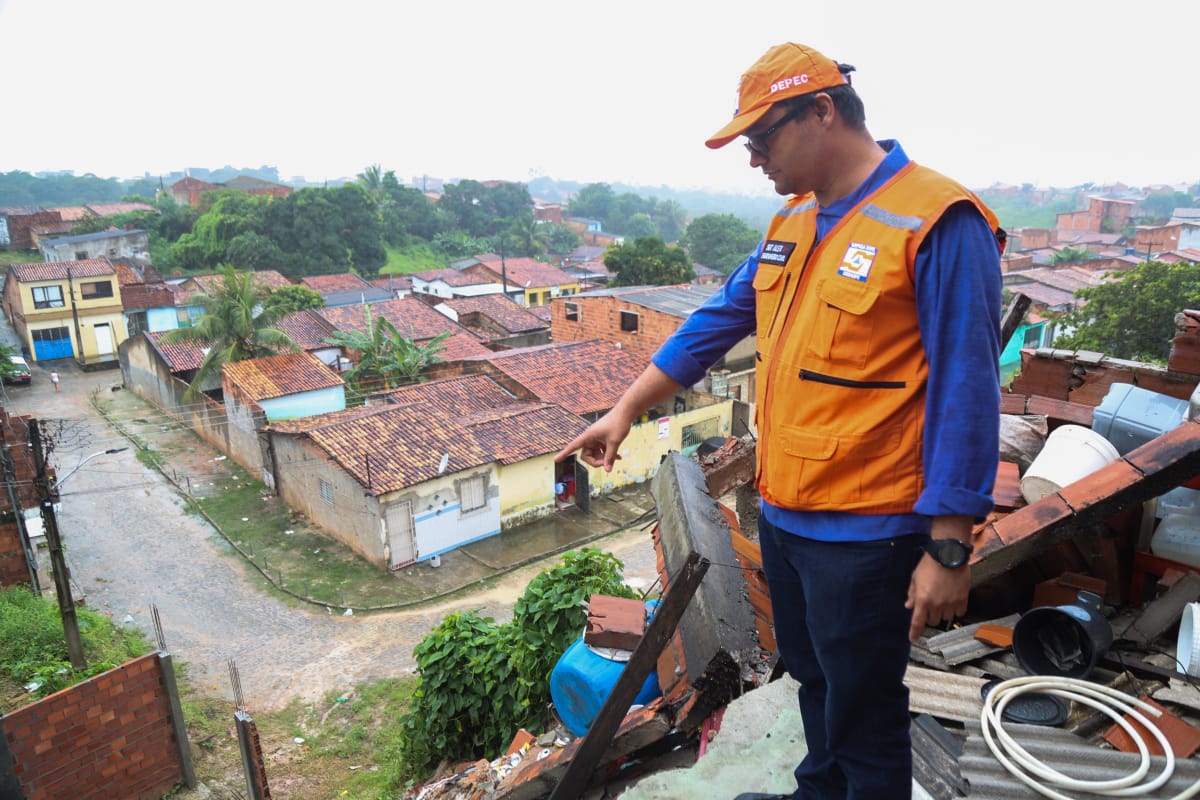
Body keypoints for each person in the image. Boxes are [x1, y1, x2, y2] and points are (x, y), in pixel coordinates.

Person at [556, 42, 1002, 800]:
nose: (754, 157)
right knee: (817, 685)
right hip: (789, 518)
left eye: (763, 137)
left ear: (822, 111)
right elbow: (714, 324)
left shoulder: (936, 220)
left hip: (870, 533)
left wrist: (949, 548)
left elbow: (969, 387)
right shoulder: (791, 221)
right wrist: (625, 409)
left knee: (865, 713)